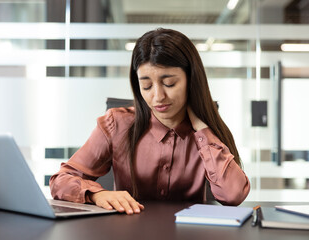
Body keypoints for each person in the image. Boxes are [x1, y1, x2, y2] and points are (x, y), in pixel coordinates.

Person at [50, 28, 250, 215]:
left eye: (169, 83)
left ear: (192, 80)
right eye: (146, 86)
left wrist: (202, 127)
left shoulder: (207, 133)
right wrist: (97, 194)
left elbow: (233, 196)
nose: (158, 97)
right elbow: (61, 180)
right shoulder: (116, 124)